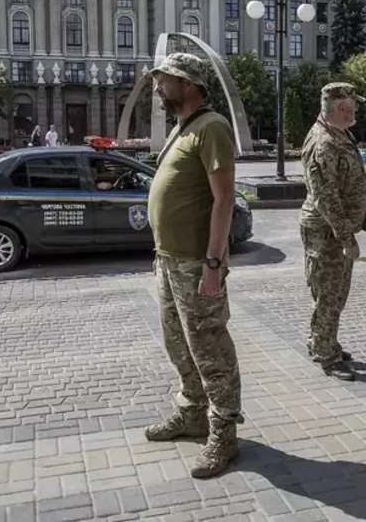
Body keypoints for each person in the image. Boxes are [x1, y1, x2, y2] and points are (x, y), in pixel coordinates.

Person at [143, 52, 242, 479]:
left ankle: (224, 433)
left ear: (187, 82)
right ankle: (193, 413)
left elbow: (225, 199)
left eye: (163, 79)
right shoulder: (182, 128)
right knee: (178, 345)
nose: (157, 87)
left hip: (197, 264)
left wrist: (214, 263)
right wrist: (161, 254)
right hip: (170, 261)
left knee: (210, 349)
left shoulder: (212, 127)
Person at [300, 82, 366, 382]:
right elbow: (325, 197)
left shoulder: (339, 133)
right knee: (329, 295)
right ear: (342, 107)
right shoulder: (324, 143)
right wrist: (346, 238)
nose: (356, 111)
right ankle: (326, 354)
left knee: (335, 293)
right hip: (326, 232)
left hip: (335, 230)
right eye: (353, 106)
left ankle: (323, 341)